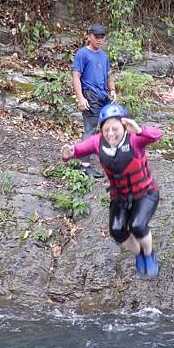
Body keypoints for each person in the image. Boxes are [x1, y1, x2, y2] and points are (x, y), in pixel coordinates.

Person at [61, 103, 162, 277]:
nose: (110, 134)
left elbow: (156, 135)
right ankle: (138, 253)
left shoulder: (135, 139)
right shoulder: (98, 141)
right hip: (120, 196)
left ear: (124, 126)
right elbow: (78, 150)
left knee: (137, 225)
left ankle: (148, 253)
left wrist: (139, 130)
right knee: (117, 230)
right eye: (106, 129)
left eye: (115, 128)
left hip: (145, 193)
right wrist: (69, 153)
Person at [72, 23, 117, 179]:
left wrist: (112, 90)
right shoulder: (82, 54)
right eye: (96, 37)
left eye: (102, 37)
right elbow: (76, 76)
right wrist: (80, 98)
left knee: (111, 126)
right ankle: (84, 166)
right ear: (89, 36)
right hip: (89, 95)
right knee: (90, 129)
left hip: (103, 95)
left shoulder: (104, 56)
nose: (99, 40)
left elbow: (108, 75)